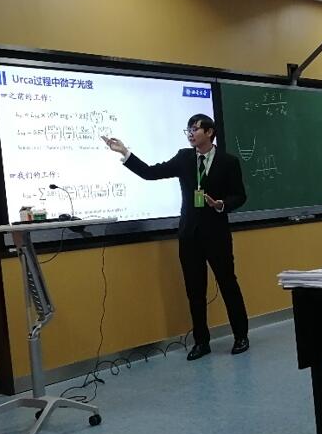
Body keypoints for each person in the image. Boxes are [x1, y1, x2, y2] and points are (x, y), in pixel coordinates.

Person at [102, 114, 250, 361]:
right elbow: (150, 173)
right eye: (188, 130)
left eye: (195, 129)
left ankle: (241, 336)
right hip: (189, 235)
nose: (190, 133)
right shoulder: (184, 158)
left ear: (210, 132)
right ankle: (201, 342)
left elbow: (240, 195)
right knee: (195, 291)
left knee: (228, 284)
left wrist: (222, 204)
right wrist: (125, 152)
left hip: (217, 234)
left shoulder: (228, 161)